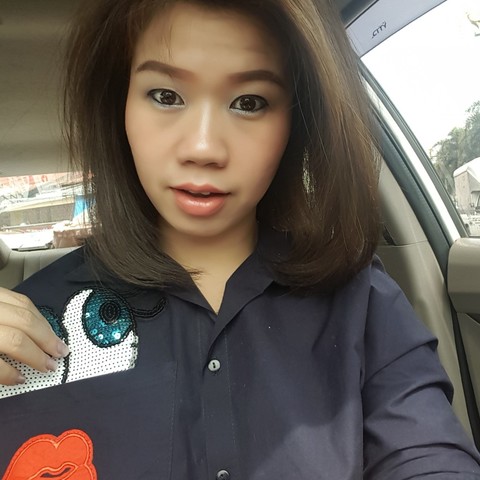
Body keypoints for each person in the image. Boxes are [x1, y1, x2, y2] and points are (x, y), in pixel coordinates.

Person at [0, 0, 479, 478]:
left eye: (249, 102)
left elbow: (427, 456)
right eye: (165, 95)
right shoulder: (31, 327)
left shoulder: (361, 300)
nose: (203, 148)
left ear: (296, 122)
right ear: (119, 105)